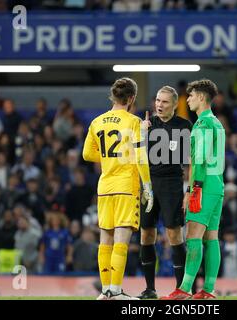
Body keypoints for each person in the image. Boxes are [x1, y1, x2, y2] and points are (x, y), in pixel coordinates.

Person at [82, 77, 153, 300]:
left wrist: (107, 156)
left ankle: (105, 291)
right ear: (131, 98)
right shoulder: (134, 122)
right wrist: (147, 186)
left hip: (104, 186)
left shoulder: (97, 122)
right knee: (121, 240)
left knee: (105, 241)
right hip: (125, 185)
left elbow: (87, 154)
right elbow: (140, 156)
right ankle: (115, 290)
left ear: (113, 96)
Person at [162, 79, 225, 300]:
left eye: (190, 96)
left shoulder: (204, 124)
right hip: (217, 185)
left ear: (200, 97)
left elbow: (201, 157)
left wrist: (192, 188)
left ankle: (185, 288)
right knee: (211, 238)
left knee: (193, 236)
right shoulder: (217, 123)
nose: (187, 100)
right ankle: (208, 290)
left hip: (204, 185)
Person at [138, 86, 192, 299]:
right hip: (148, 184)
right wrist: (141, 135)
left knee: (174, 233)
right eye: (158, 101)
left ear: (175, 104)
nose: (159, 105)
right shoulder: (147, 125)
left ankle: (181, 289)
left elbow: (190, 161)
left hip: (171, 183)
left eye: (165, 102)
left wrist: (189, 189)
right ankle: (150, 288)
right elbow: (136, 155)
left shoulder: (184, 126)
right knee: (146, 233)